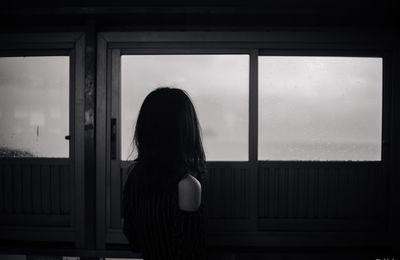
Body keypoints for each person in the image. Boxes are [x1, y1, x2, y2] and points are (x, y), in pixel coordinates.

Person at [122, 87, 207, 260]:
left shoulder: (135, 177)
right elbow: (191, 253)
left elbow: (133, 240)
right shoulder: (188, 185)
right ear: (185, 129)